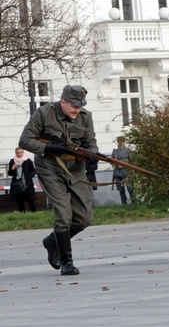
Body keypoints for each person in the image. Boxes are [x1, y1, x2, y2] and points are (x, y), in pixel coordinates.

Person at [19, 85, 98, 276]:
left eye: (80, 106)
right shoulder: (44, 114)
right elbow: (25, 140)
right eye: (74, 106)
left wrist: (92, 157)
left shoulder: (85, 117)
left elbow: (90, 143)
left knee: (84, 218)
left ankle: (52, 241)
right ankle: (66, 262)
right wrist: (51, 148)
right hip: (50, 168)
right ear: (63, 101)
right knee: (64, 215)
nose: (77, 110)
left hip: (76, 170)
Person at [8, 147, 37, 212]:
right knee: (20, 200)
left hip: (27, 184)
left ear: (23, 152)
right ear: (16, 153)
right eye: (18, 153)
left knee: (31, 200)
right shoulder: (12, 161)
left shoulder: (27, 160)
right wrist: (12, 169)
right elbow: (9, 174)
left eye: (21, 152)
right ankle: (22, 213)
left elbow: (33, 170)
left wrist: (30, 176)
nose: (19, 154)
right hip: (18, 184)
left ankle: (34, 213)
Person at [112, 136, 134, 204]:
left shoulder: (128, 151)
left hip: (127, 173)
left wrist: (124, 164)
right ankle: (124, 204)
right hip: (118, 174)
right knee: (121, 190)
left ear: (124, 142)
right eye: (119, 141)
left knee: (130, 189)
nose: (120, 143)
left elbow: (132, 161)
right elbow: (111, 161)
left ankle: (134, 203)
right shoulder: (115, 151)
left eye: (121, 141)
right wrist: (115, 164)